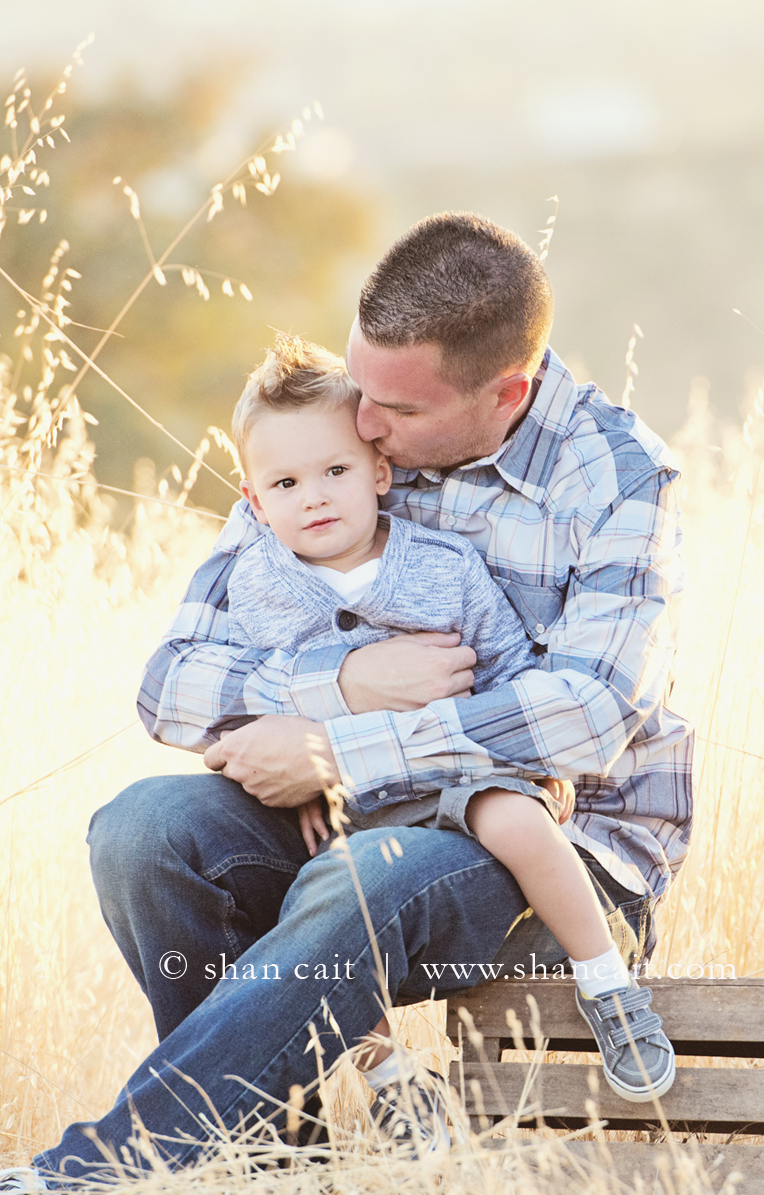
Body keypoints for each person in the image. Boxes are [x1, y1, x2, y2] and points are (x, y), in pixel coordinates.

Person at [0, 212, 692, 1195]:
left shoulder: (616, 475)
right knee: (145, 831)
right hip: (363, 818)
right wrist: (345, 684)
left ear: (504, 392)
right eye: (359, 388)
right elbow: (174, 686)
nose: (362, 425)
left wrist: (337, 749)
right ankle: (273, 1170)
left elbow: (587, 716)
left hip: (558, 854)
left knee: (360, 877)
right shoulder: (328, 439)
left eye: (394, 411)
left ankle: (81, 1183)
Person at [224, 330, 675, 1117]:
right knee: (307, 895)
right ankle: (389, 1079)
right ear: (255, 502)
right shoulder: (260, 577)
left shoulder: (440, 562)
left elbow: (508, 664)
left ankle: (607, 980)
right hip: (339, 790)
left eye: (335, 473)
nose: (315, 497)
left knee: (518, 821)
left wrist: (540, 769)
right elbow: (221, 687)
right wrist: (332, 704)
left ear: (380, 473)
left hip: (459, 770)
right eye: (287, 484)